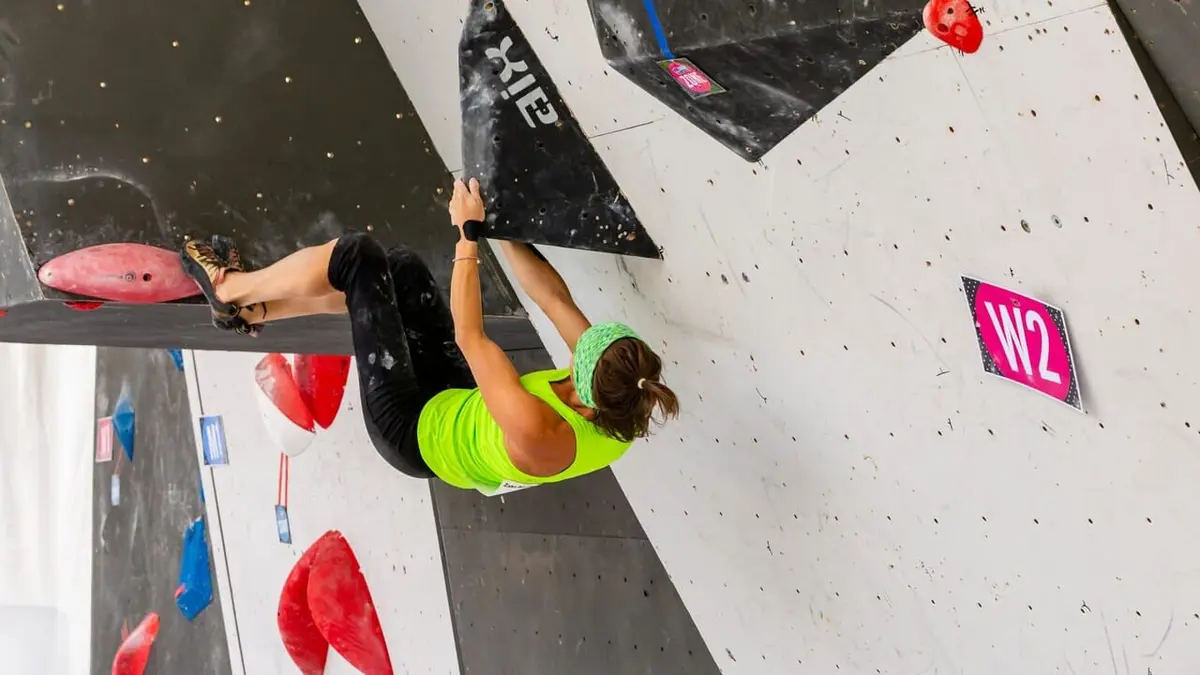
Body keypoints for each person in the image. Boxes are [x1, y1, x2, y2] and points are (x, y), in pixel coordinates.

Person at [180, 178, 679, 494]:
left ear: (587, 408)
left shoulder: (542, 433)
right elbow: (553, 298)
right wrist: (499, 226)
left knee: (358, 256)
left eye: (575, 373)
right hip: (460, 401)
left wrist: (467, 235)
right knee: (401, 270)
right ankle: (256, 310)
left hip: (414, 433)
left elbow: (472, 337)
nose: (574, 357)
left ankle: (228, 289)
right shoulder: (616, 387)